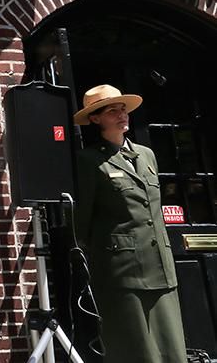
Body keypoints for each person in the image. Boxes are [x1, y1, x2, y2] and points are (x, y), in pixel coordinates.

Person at [73, 84, 186, 363]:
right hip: (122, 272)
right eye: (113, 110)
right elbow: (80, 220)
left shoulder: (146, 155)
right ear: (96, 119)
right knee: (134, 349)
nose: (122, 115)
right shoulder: (89, 161)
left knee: (172, 349)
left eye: (123, 109)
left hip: (160, 265)